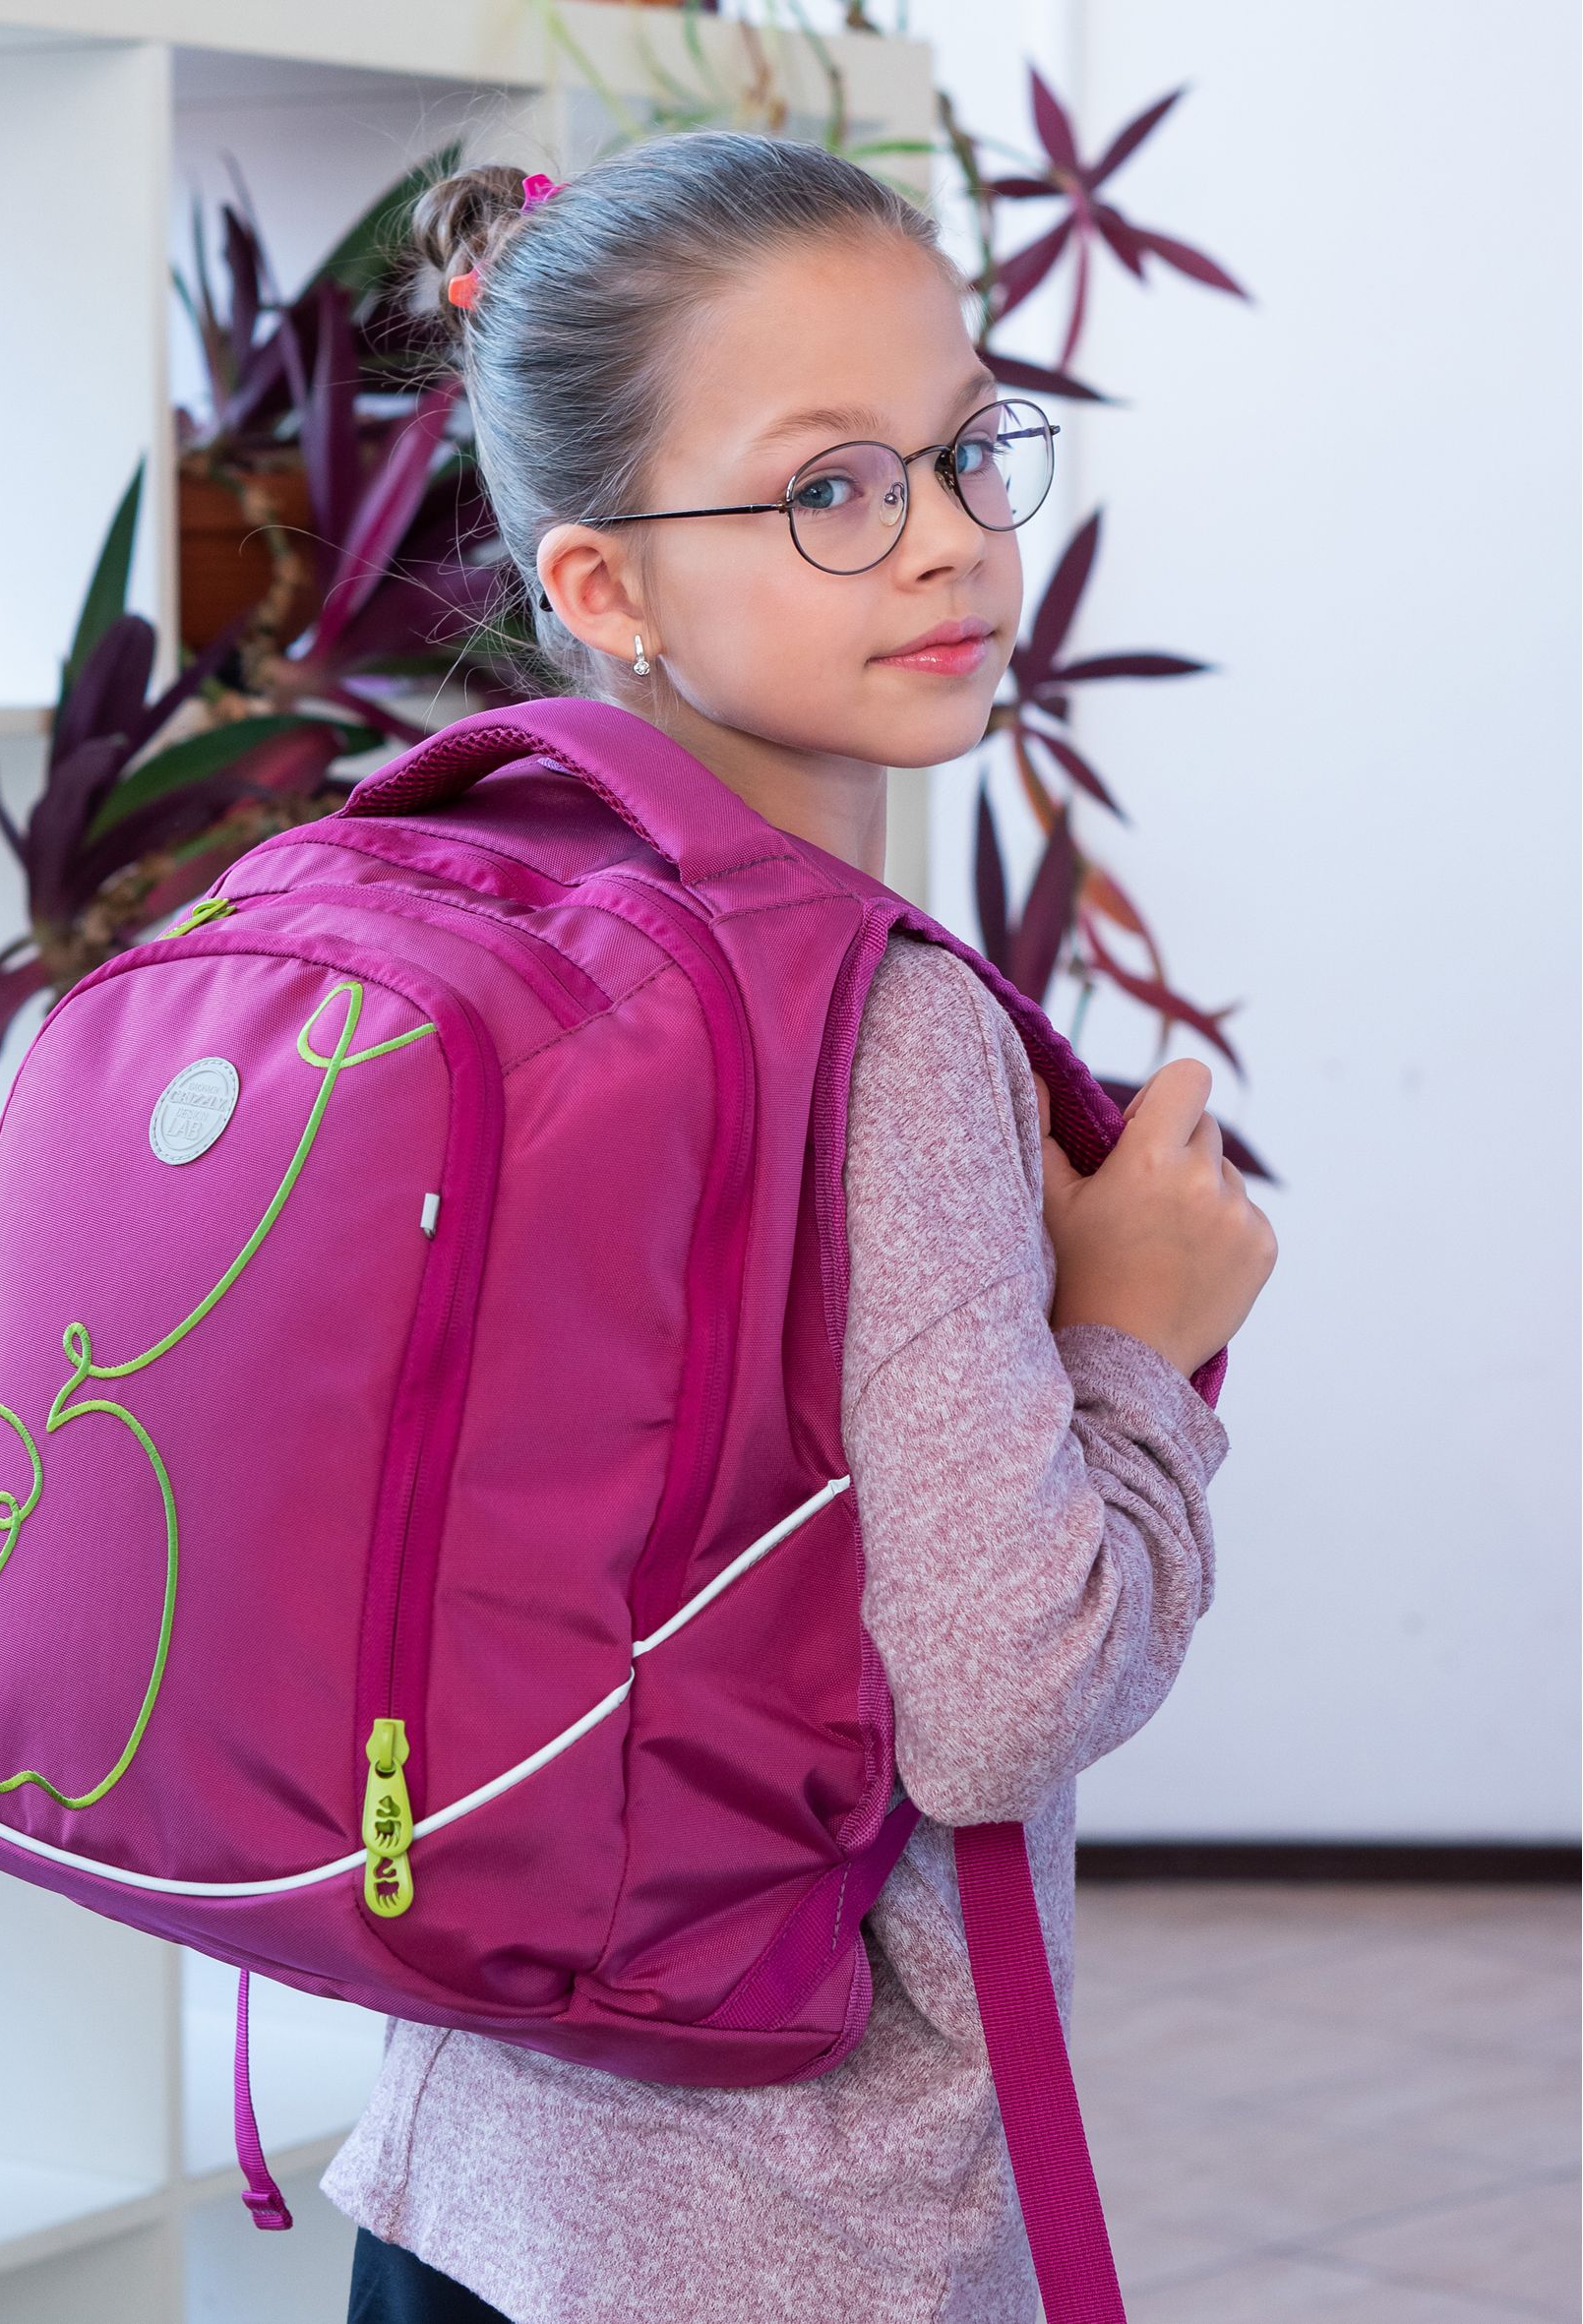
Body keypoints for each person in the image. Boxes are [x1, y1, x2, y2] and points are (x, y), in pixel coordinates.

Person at [323, 129, 1276, 2324]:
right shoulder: (877, 1021)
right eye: (829, 487)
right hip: (788, 2228)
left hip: (469, 2161)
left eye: (963, 448)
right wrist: (1136, 1344)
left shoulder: (501, 915)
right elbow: (1000, 1703)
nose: (945, 537)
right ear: (604, 589)